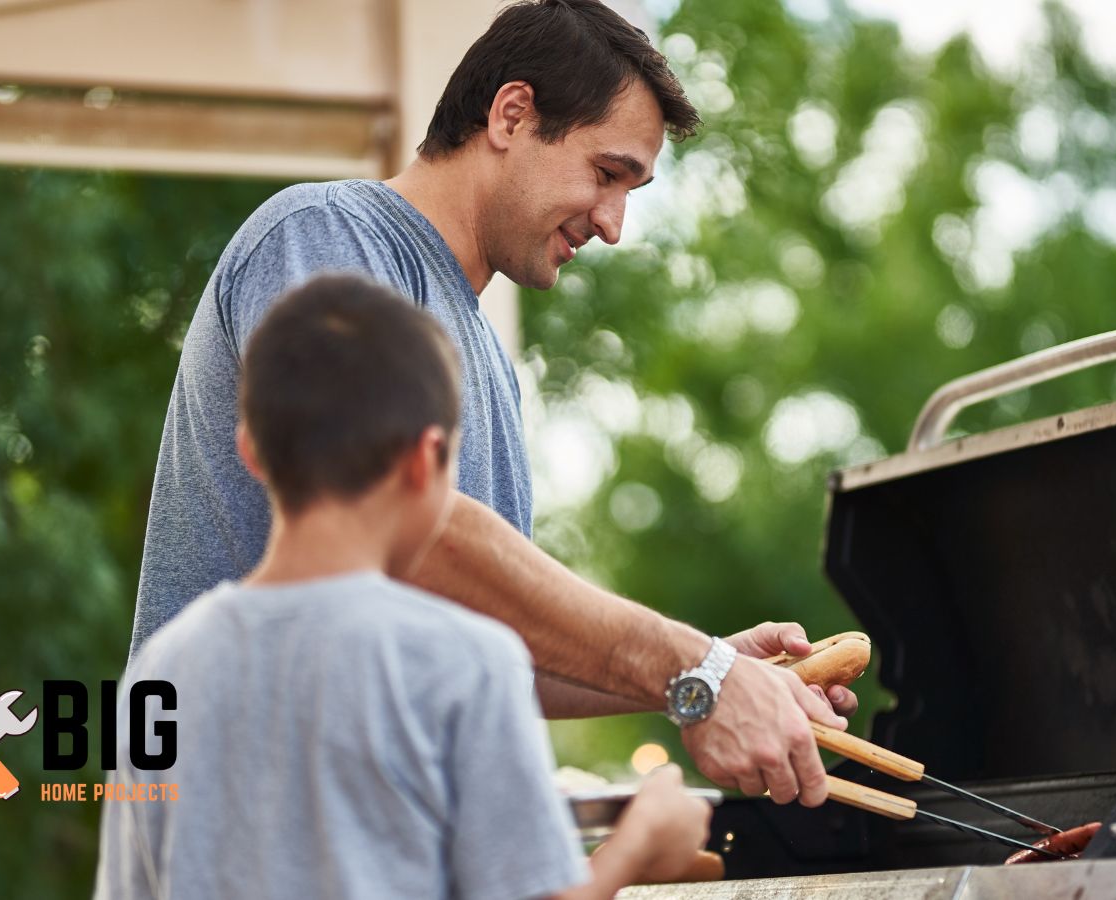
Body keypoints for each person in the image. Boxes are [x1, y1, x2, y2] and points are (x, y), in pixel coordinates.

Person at [131, 0, 855, 806]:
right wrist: (696, 668)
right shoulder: (324, 238)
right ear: (512, 114)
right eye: (607, 173)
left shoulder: (485, 363)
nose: (614, 224)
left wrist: (711, 672)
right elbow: (395, 519)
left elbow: (494, 647)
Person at [95, 274, 712, 899]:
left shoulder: (162, 668)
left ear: (252, 450)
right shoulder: (468, 662)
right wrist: (642, 843)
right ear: (427, 460)